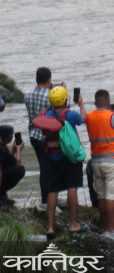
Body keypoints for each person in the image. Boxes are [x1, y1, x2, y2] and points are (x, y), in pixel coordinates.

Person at [85, 89, 114, 241]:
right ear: (108, 102)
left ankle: (106, 228)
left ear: (95, 103)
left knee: (101, 196)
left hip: (96, 162)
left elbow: (88, 119)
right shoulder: (113, 116)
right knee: (111, 196)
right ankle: (111, 231)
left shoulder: (90, 116)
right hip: (112, 162)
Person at [42, 85, 87, 237]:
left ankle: (50, 227)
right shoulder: (70, 115)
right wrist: (80, 104)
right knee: (71, 187)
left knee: (52, 189)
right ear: (65, 99)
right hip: (69, 157)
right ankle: (73, 224)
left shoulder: (45, 114)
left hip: (52, 156)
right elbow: (83, 119)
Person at [25, 67, 56, 211]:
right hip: (46, 137)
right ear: (49, 80)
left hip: (33, 135)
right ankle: (46, 202)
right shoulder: (51, 96)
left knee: (44, 168)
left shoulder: (27, 95)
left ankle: (47, 199)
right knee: (47, 170)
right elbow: (61, 110)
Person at [0, 125, 26, 206]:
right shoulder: (1, 148)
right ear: (11, 137)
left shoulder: (2, 146)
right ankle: (1, 193)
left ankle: (2, 195)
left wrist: (13, 150)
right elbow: (17, 164)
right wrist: (18, 150)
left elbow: (7, 159)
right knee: (20, 170)